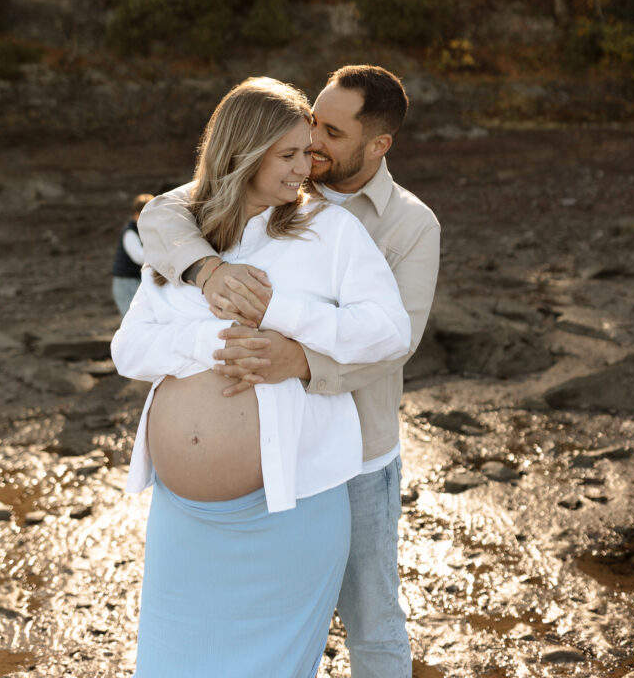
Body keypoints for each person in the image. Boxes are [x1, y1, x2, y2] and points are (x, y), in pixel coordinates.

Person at [138, 64, 441, 678]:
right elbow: (162, 215)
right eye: (308, 130)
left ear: (378, 144)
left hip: (356, 451)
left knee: (371, 618)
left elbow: (394, 341)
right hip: (251, 478)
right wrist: (207, 272)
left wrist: (297, 359)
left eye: (331, 134)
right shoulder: (260, 193)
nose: (314, 146)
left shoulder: (409, 224)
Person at [111, 193, 153, 316]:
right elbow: (139, 257)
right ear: (136, 214)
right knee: (132, 317)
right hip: (126, 282)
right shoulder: (130, 232)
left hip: (138, 281)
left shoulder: (146, 231)